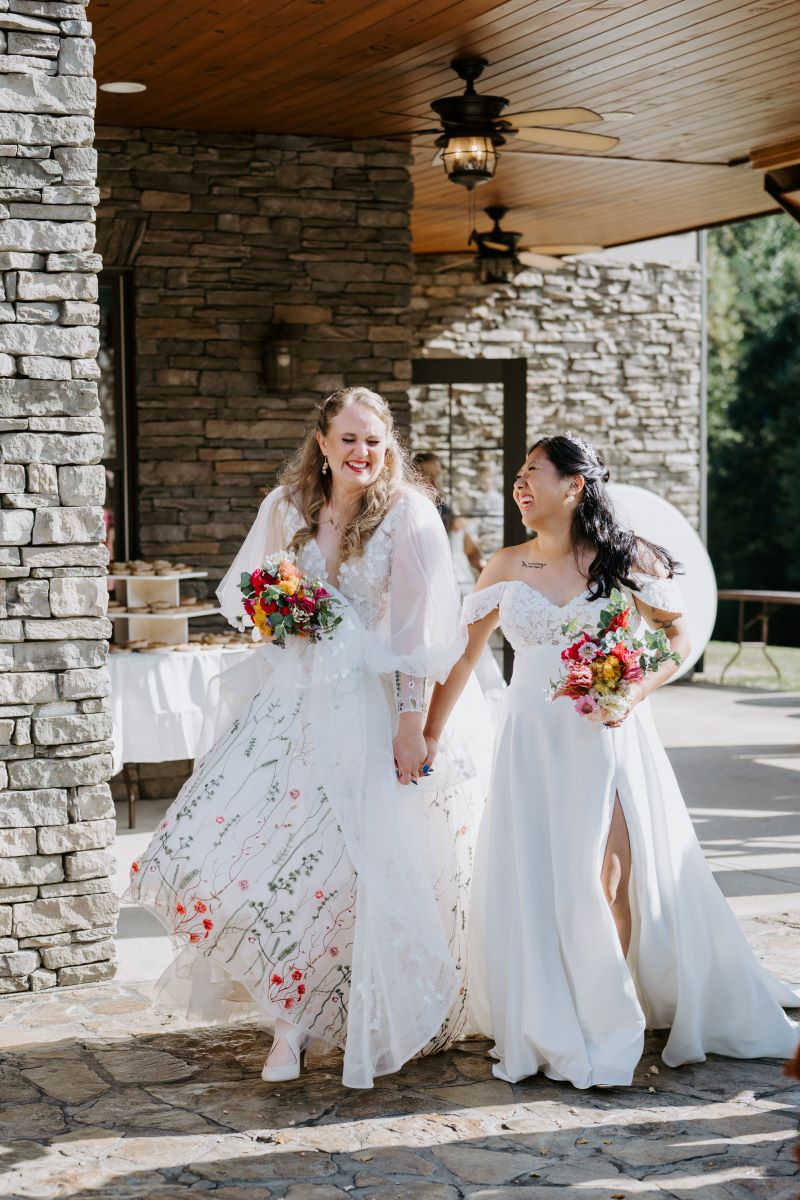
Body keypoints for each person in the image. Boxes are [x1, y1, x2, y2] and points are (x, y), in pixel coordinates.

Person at [127, 388, 489, 1089]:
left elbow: (419, 637)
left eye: (375, 442)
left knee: (347, 866)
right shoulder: (285, 508)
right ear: (321, 443)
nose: (362, 454)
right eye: (349, 439)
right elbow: (251, 596)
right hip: (287, 704)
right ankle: (287, 1004)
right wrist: (284, 615)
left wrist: (412, 722)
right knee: (253, 854)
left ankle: (307, 1021)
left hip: (368, 708)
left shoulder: (409, 514)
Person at [423, 433, 799, 1089]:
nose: (519, 484)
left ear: (573, 486)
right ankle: (555, 1011)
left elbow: (677, 639)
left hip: (607, 736)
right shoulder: (506, 567)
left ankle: (611, 1021)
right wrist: (425, 734)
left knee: (607, 877)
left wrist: (632, 690)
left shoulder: (625, 558)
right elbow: (461, 659)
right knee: (541, 880)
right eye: (518, 474)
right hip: (531, 744)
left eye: (532, 472)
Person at [413, 451, 452, 528]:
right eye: (425, 474)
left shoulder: (445, 511)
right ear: (413, 476)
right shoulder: (408, 508)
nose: (433, 481)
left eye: (437, 475)